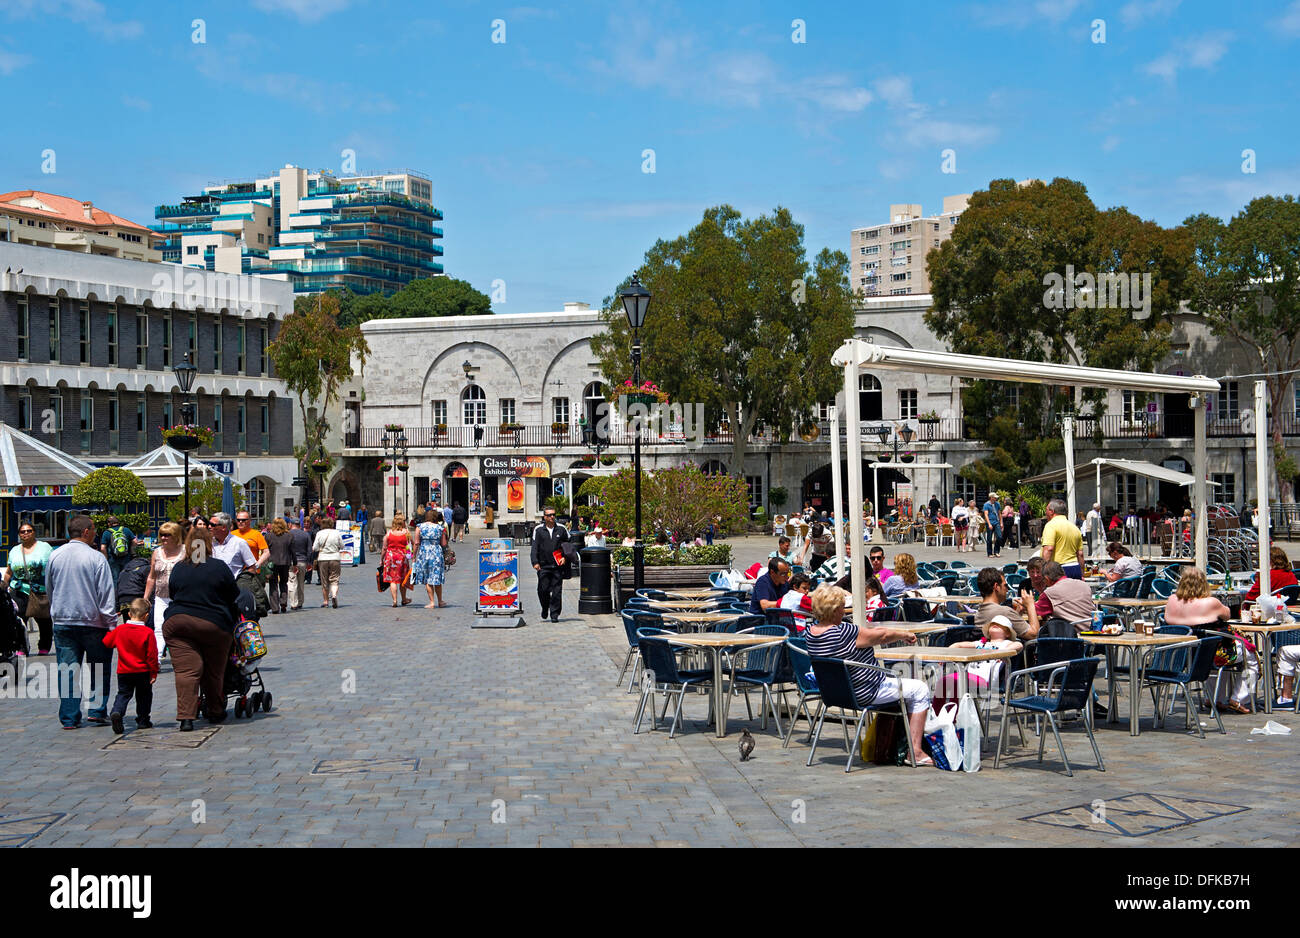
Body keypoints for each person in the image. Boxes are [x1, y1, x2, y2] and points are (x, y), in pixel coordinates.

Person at [804, 584, 934, 766]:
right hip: (865, 692)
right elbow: (881, 635)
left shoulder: (809, 633)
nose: (844, 610)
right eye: (842, 606)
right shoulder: (843, 632)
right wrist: (904, 634)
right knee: (919, 689)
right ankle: (915, 751)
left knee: (901, 685)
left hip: (835, 694)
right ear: (834, 610)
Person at [163, 524, 239, 731]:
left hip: (178, 622)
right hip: (212, 624)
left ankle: (186, 717)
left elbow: (173, 593)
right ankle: (215, 710)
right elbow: (233, 594)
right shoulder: (218, 567)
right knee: (213, 670)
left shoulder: (179, 567)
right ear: (208, 545)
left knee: (187, 671)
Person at [47, 514, 118, 729]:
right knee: (98, 668)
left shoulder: (55, 556)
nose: (96, 532)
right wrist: (112, 624)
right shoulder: (96, 558)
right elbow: (106, 595)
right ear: (86, 532)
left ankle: (69, 717)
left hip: (64, 621)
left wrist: (57, 612)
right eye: (94, 529)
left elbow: (50, 589)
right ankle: (96, 711)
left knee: (68, 671)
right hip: (94, 623)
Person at [1163, 566, 1254, 714]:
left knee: (1215, 648)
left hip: (1182, 656)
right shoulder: (1211, 602)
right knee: (1251, 657)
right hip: (1209, 654)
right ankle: (1239, 699)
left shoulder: (1172, 600)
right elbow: (1228, 615)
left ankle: (1214, 698)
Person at [102, 597, 158, 734]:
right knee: (144, 696)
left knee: (123, 694)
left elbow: (107, 643)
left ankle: (117, 712)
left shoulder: (121, 630)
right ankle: (143, 720)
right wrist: (154, 672)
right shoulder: (148, 632)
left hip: (124, 670)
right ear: (146, 616)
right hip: (142, 671)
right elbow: (152, 655)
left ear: (129, 614)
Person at [3, 522, 54, 655]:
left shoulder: (45, 548)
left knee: (44, 620)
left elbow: (53, 568)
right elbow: (9, 571)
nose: (26, 533)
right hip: (19, 589)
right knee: (18, 620)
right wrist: (4, 584)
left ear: (34, 532)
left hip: (39, 590)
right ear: (19, 534)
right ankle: (21, 647)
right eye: (23, 532)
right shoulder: (14, 550)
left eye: (29, 531)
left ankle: (44, 646)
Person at [143, 521, 184, 662]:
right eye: (162, 535)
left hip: (180, 597)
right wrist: (145, 597)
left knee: (180, 629)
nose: (164, 538)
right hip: (161, 596)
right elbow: (151, 577)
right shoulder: (157, 552)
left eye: (168, 535)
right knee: (159, 629)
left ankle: (181, 657)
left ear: (176, 535)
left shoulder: (186, 551)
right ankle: (157, 659)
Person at [974, 566, 1039, 640]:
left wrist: (1018, 613)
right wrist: (1030, 605)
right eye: (1005, 585)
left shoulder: (978, 614)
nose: (1007, 590)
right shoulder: (1005, 612)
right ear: (996, 587)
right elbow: (1033, 635)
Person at [531, 507, 568, 622]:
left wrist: (564, 557)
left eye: (553, 515)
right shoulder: (538, 530)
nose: (552, 517)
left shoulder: (561, 529)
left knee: (557, 591)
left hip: (557, 566)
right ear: (544, 517)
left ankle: (554, 614)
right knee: (543, 590)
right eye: (549, 515)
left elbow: (568, 546)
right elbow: (534, 547)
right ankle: (545, 607)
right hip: (543, 566)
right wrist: (535, 562)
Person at [1039, 560, 1096, 633]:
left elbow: (1036, 611)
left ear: (1047, 579)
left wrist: (1027, 602)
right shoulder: (1084, 585)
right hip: (1094, 630)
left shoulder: (1050, 592)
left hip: (1071, 636)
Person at [410, 508, 449, 608]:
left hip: (424, 553)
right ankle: (440, 601)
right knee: (436, 577)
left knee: (428, 578)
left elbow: (417, 542)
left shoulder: (420, 527)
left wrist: (414, 556)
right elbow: (444, 544)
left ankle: (431, 602)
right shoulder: (440, 528)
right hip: (436, 553)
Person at [1040, 498, 1085, 579]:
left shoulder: (1051, 525)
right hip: (1075, 567)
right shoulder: (1074, 528)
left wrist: (1044, 571)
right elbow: (1080, 554)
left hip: (1058, 569)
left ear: (1051, 511)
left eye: (1046, 510)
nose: (1045, 513)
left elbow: (1049, 549)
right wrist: (1082, 574)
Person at [262, 517, 294, 614]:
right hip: (285, 562)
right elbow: (292, 551)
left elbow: (265, 551)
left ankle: (275, 607)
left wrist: (264, 563)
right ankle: (283, 603)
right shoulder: (289, 536)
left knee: (273, 584)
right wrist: (295, 563)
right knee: (284, 582)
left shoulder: (268, 536)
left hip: (272, 563)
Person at [382, 512, 412, 607]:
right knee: (402, 579)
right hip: (402, 558)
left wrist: (381, 559)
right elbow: (413, 543)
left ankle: (394, 600)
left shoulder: (389, 533)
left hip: (390, 558)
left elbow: (384, 548)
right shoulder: (406, 533)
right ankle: (403, 599)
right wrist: (413, 555)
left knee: (393, 580)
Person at [98, 514, 137, 588]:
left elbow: (103, 548)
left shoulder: (106, 533)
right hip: (126, 558)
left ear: (109, 523)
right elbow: (135, 541)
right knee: (126, 577)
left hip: (113, 560)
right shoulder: (126, 530)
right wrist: (132, 551)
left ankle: (116, 597)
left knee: (115, 579)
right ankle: (126, 594)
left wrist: (105, 559)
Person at [312, 521, 344, 609]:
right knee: (334, 579)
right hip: (335, 557)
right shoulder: (336, 533)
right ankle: (333, 595)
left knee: (324, 580)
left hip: (323, 558)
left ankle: (326, 601)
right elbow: (342, 546)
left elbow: (315, 548)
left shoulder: (319, 533)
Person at [287, 519, 312, 611]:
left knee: (292, 582)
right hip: (302, 561)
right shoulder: (305, 534)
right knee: (301, 582)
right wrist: (309, 562)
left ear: (291, 524)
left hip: (291, 562)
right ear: (299, 524)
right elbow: (309, 550)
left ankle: (294, 603)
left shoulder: (288, 534)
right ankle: (300, 602)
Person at [982, 493, 1002, 558]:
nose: (996, 498)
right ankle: (990, 553)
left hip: (996, 522)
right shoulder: (986, 505)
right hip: (990, 522)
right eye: (995, 497)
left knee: (999, 536)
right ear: (991, 498)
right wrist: (989, 524)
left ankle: (996, 551)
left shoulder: (997, 504)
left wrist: (1001, 522)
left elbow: (999, 513)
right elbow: (986, 515)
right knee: (989, 539)